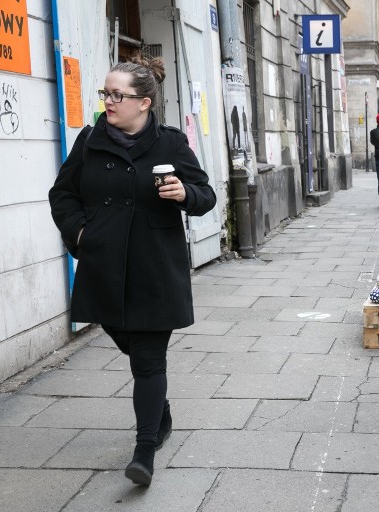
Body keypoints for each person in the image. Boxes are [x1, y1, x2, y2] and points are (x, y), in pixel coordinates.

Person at [48, 56, 217, 487]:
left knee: (147, 359)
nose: (108, 101)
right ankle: (159, 411)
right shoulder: (90, 140)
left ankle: (144, 451)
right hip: (103, 263)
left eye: (117, 95)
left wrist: (184, 194)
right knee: (124, 337)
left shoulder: (171, 144)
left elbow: (206, 195)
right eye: (106, 93)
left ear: (143, 103)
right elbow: (62, 194)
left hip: (154, 266)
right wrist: (80, 236)